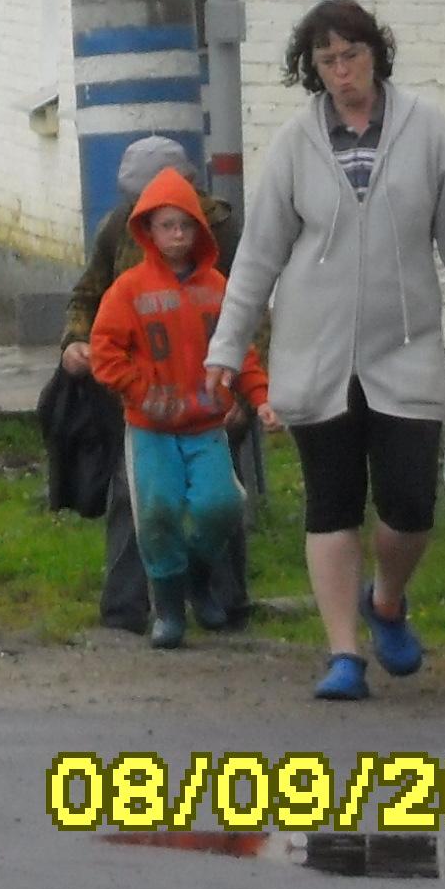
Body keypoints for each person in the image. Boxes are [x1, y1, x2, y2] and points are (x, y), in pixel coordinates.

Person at [205, 0, 445, 702]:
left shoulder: (426, 130)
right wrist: (228, 348)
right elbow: (258, 256)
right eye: (327, 61)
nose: (342, 72)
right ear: (312, 70)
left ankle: (388, 601)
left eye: (352, 55)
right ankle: (344, 652)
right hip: (316, 354)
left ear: (376, 54)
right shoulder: (295, 144)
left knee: (409, 506)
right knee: (331, 503)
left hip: (404, 349)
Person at [61, 137, 253, 633]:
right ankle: (128, 608)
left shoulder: (225, 234)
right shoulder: (119, 230)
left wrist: (249, 395)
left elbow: (253, 312)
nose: (144, 209)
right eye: (137, 200)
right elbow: (90, 293)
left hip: (213, 393)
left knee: (219, 497)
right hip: (142, 396)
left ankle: (222, 599)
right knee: (140, 496)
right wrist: (76, 341)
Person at [87, 167, 279, 648]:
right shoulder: (128, 290)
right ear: (147, 230)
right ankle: (168, 606)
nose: (177, 235)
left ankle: (195, 576)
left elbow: (242, 352)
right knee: (157, 511)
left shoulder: (217, 287)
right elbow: (105, 352)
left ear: (199, 230)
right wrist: (140, 391)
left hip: (205, 426)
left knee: (222, 504)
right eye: (167, 225)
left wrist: (261, 399)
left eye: (186, 226)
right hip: (149, 429)